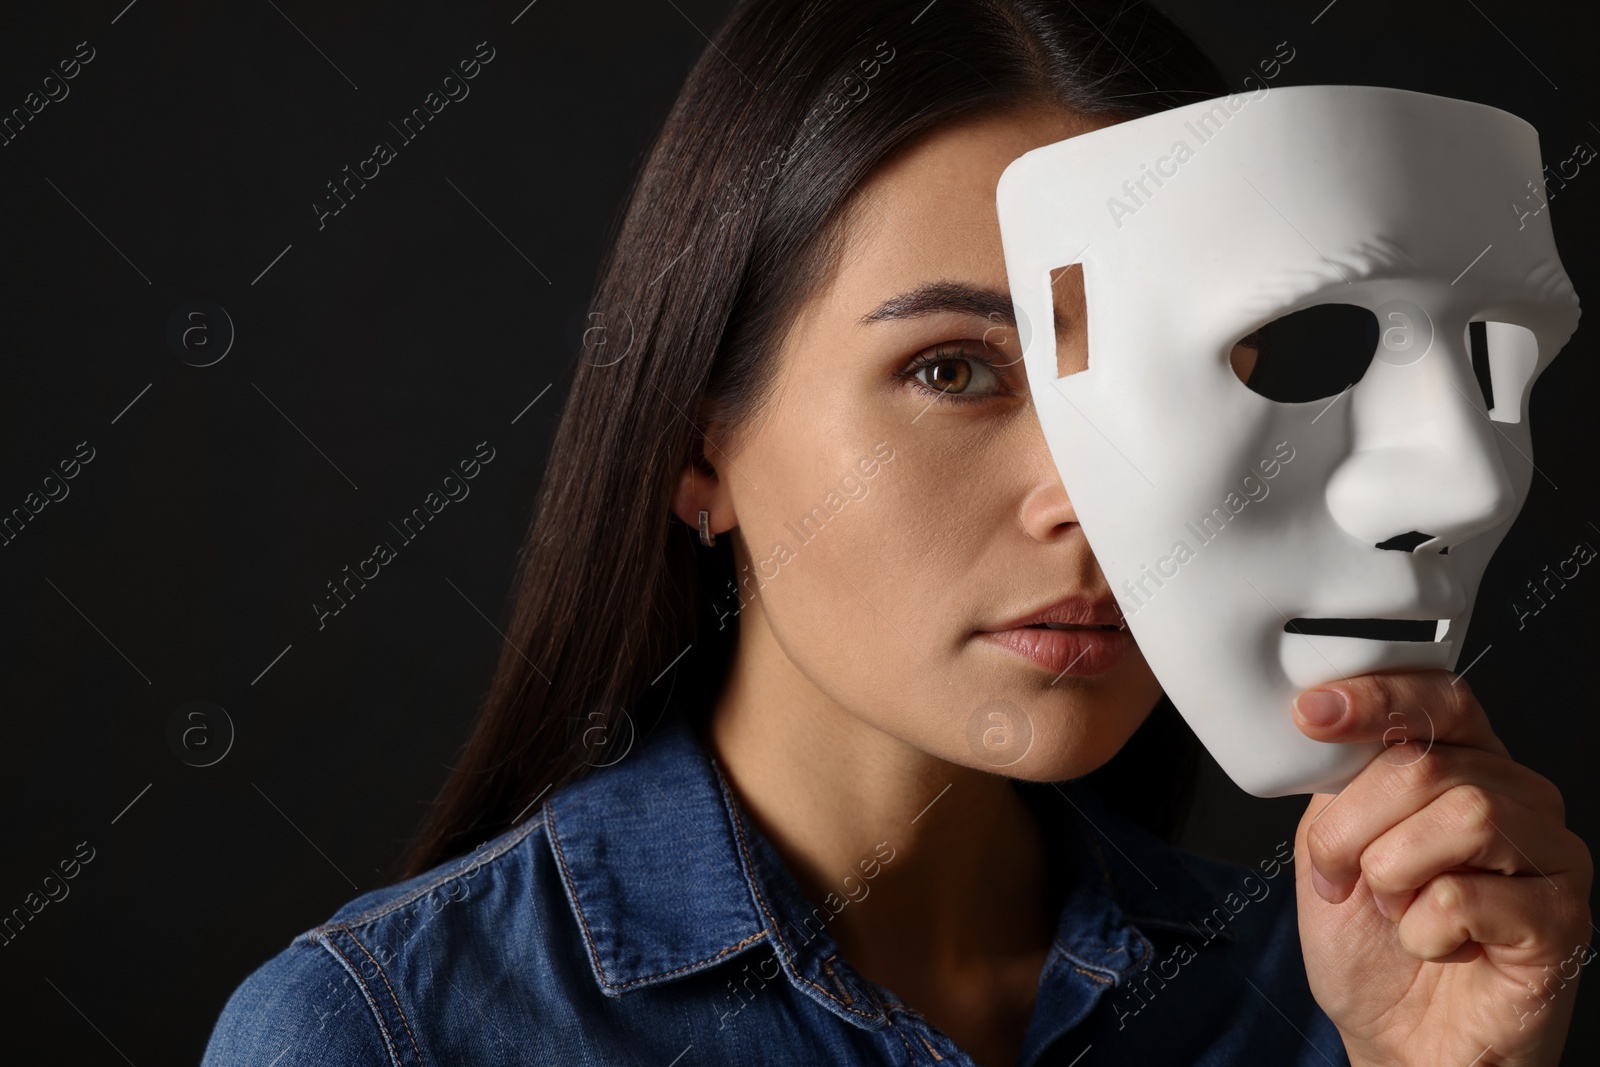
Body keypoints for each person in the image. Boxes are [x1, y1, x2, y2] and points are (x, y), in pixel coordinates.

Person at [201, 1, 1592, 1064]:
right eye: (955, 370)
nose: (1086, 494)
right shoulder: (383, 1035)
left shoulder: (1328, 992)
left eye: (1191, 374)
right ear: (701, 448)